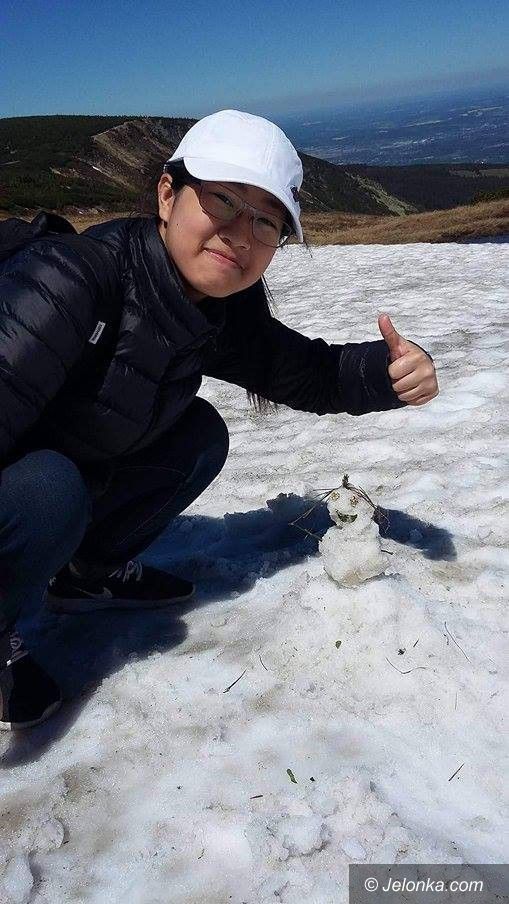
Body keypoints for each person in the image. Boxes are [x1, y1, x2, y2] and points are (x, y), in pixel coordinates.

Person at [0, 109, 438, 729]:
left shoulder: (216, 307)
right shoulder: (72, 279)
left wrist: (391, 373)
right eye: (223, 201)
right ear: (167, 194)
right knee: (50, 488)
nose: (240, 233)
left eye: (267, 221)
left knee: (199, 433)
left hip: (74, 469)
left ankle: (85, 577)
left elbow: (309, 373)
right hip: (28, 486)